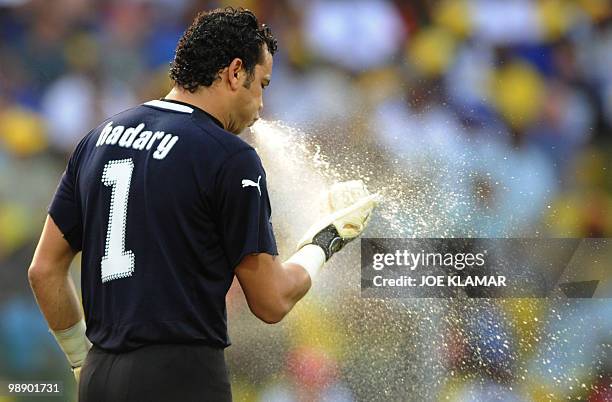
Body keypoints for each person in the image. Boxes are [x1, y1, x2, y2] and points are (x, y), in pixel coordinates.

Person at [27, 7, 377, 402]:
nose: (261, 104)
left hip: (100, 377)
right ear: (234, 72)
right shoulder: (231, 156)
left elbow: (44, 271)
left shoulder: (97, 139)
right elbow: (271, 300)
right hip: (182, 377)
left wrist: (80, 361)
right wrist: (325, 240)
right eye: (261, 84)